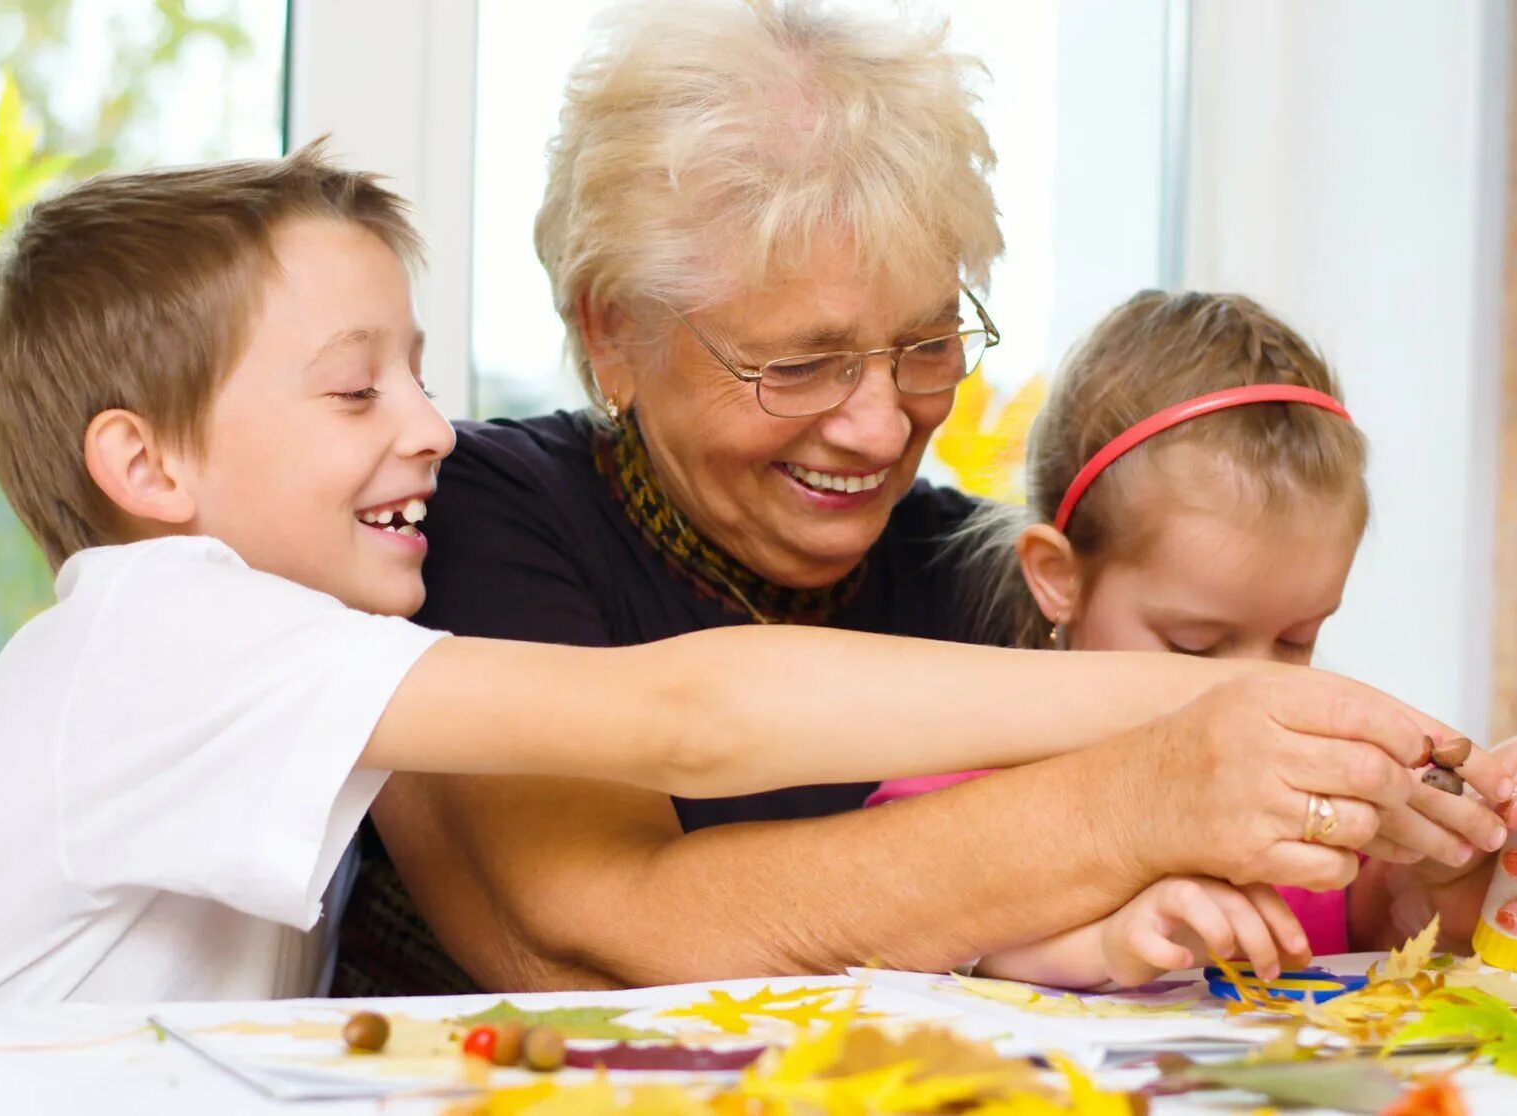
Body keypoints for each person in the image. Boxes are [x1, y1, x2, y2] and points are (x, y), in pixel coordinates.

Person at [0, 146, 1438, 1008]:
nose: (428, 427)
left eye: (418, 371)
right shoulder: (165, 627)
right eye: (355, 392)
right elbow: (689, 716)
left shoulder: (276, 653)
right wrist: (1198, 696)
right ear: (148, 470)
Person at [340, 0, 1512, 995]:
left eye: (926, 345)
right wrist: (1141, 798)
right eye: (797, 363)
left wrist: (1411, 875)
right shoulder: (480, 515)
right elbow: (603, 931)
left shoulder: (981, 573)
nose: (879, 422)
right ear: (614, 332)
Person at [872, 291, 1512, 987]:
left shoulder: (1315, 796)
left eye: (1297, 640)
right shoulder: (955, 785)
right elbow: (915, 936)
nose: (1255, 689)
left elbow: (1358, 929)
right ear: (1058, 577)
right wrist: (1103, 947)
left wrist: (1439, 884)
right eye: (1195, 645)